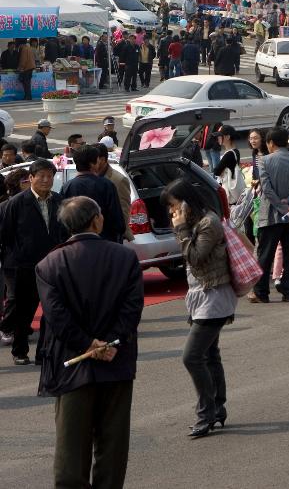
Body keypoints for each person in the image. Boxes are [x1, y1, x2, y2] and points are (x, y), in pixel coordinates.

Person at [35, 196, 143, 489]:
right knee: (113, 444)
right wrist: (108, 343)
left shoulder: (49, 264)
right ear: (96, 220)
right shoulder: (124, 257)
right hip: (115, 359)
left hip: (72, 363)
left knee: (71, 447)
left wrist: (86, 344)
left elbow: (56, 317)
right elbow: (132, 309)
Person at [167, 178, 235, 437]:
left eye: (174, 206)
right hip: (202, 294)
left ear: (186, 203)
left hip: (214, 297)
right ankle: (217, 409)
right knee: (209, 354)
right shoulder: (198, 222)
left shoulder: (208, 223)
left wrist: (181, 229)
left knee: (192, 356)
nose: (171, 212)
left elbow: (195, 257)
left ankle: (206, 413)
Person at [0, 159, 65, 364]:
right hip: (25, 266)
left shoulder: (59, 200)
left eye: (50, 176)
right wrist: (19, 256)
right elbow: (7, 235)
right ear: (31, 178)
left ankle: (43, 351)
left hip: (53, 264)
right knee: (24, 311)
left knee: (52, 309)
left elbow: (64, 230)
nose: (46, 180)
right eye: (41, 176)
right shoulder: (17, 203)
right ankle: (20, 351)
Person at [252, 128, 289, 303]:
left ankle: (262, 292)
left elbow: (267, 189)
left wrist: (281, 206)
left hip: (270, 214)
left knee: (265, 254)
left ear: (271, 143)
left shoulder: (264, 161)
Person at [63, 144, 125, 244]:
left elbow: (63, 223)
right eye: (97, 160)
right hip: (105, 244)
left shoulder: (67, 187)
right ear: (92, 164)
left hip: (77, 246)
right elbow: (118, 222)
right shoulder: (106, 185)